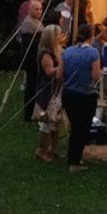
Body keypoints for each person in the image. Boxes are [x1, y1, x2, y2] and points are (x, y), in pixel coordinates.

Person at [58, 23, 101, 173]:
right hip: (86, 95)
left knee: (75, 127)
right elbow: (96, 76)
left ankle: (74, 156)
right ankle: (74, 162)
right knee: (82, 128)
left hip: (69, 94)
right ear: (91, 36)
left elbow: (59, 75)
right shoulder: (93, 53)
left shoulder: (67, 51)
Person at [33, 24, 64, 162]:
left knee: (54, 121)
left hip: (56, 90)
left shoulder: (57, 50)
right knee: (46, 122)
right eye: (59, 34)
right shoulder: (46, 54)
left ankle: (53, 149)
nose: (62, 36)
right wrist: (63, 64)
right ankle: (42, 151)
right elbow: (50, 72)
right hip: (47, 90)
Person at [16, 0, 44, 122]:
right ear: (30, 10)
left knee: (35, 86)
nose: (39, 11)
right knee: (31, 87)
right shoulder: (28, 23)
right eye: (36, 9)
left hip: (37, 58)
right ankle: (28, 114)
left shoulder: (37, 21)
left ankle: (34, 111)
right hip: (31, 59)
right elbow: (30, 44)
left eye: (40, 9)